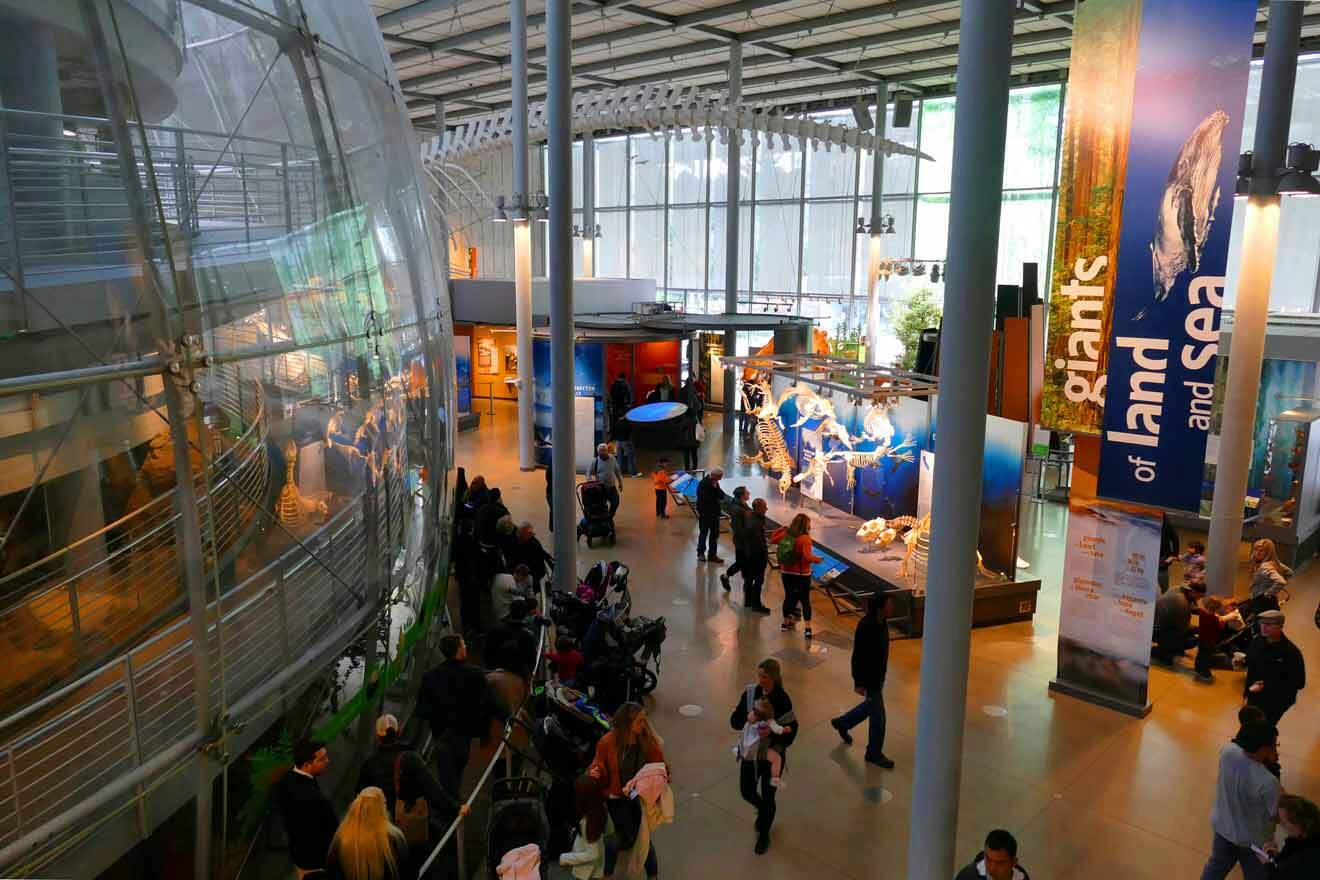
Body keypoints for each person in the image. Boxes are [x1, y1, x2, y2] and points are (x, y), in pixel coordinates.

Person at [416, 635, 504, 801]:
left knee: (446, 773)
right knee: (458, 768)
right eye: (463, 645)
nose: (466, 647)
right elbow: (489, 702)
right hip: (464, 734)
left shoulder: (430, 676)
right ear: (458, 650)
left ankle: (450, 803)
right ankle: (453, 806)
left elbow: (422, 710)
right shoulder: (475, 674)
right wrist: (506, 717)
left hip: (441, 734)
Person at [589, 702, 666, 879]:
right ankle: (609, 874)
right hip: (616, 799)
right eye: (640, 721)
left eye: (644, 720)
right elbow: (598, 767)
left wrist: (657, 785)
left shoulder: (647, 741)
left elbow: (661, 768)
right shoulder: (607, 742)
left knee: (643, 841)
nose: (644, 724)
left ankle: (651, 876)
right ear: (626, 724)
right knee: (617, 838)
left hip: (638, 800)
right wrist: (595, 782)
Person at [729, 658, 797, 855]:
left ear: (774, 677)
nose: (761, 680)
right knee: (746, 791)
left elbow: (791, 729)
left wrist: (774, 735)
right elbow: (735, 721)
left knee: (769, 796)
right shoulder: (751, 693)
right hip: (751, 755)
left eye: (765, 676)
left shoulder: (783, 700)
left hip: (771, 756)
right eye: (759, 675)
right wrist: (747, 717)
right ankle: (762, 808)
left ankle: (764, 833)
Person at [1199, 720, 1281, 880]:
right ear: (1264, 749)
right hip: (1255, 841)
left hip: (1223, 828)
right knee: (1256, 875)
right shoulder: (1268, 782)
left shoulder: (1227, 752)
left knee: (1216, 867)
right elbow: (1276, 815)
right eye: (1274, 745)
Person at [830, 594, 894, 768]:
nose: (892, 606)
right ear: (880, 607)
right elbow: (858, 655)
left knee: (871, 707)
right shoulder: (866, 625)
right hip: (870, 678)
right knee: (879, 718)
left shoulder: (882, 622)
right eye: (889, 603)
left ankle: (843, 722)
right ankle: (873, 753)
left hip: (878, 676)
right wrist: (858, 681)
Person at [274, 739, 339, 877]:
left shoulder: (285, 780)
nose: (327, 761)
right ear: (306, 765)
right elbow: (333, 830)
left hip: (298, 854)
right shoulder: (315, 800)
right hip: (316, 861)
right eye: (322, 759)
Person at [323, 787, 412, 880]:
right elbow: (405, 871)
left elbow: (331, 870)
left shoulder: (341, 835)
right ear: (383, 807)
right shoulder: (395, 836)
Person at [1244, 609, 1306, 725]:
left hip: (1275, 701)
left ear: (1280, 626)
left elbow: (1298, 682)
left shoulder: (1290, 653)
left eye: (1268, 624)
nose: (1263, 627)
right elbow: (1250, 662)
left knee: (1264, 728)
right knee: (1249, 726)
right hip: (1254, 695)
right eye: (1261, 623)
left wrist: (1265, 686)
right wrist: (1242, 662)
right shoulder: (1257, 641)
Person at [771, 513, 822, 639]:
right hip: (801, 574)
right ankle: (808, 628)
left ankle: (785, 623)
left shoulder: (786, 534)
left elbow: (773, 539)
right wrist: (817, 559)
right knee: (805, 600)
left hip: (786, 572)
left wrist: (781, 529)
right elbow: (807, 557)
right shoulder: (805, 539)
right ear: (806, 525)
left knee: (788, 597)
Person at [1259, 794, 1320, 878]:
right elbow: (1288, 860)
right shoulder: (1297, 839)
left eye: (1284, 822)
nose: (1280, 824)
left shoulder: (1309, 855)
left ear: (1299, 822)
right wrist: (1276, 857)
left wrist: (1267, 865)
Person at [1152, 581, 1206, 665]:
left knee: (1191, 632)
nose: (1199, 599)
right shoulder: (1181, 601)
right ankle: (1161, 651)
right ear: (1193, 592)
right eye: (1199, 596)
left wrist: (1203, 612)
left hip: (1155, 625)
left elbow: (1192, 607)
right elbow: (1182, 628)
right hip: (1159, 631)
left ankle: (1169, 648)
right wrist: (1200, 629)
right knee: (1192, 640)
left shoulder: (1177, 588)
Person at [485, 598, 539, 679]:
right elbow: (531, 662)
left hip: (496, 675)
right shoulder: (528, 636)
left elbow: (487, 654)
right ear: (525, 614)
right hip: (518, 677)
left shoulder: (494, 630)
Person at [737, 697, 786, 787]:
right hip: (755, 749)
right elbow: (777, 730)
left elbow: (750, 718)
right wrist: (784, 729)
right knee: (777, 758)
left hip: (746, 743)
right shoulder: (763, 724)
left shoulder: (752, 718)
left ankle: (739, 750)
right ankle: (775, 778)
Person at [1195, 595, 1242, 682]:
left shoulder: (1202, 613)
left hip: (1201, 638)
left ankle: (1197, 668)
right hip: (1209, 641)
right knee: (1206, 657)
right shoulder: (1214, 619)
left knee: (1200, 654)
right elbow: (1220, 627)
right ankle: (1204, 671)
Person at [738, 499, 772, 614]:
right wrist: (764, 554)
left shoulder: (749, 517)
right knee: (758, 580)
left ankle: (748, 600)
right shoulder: (756, 523)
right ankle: (756, 604)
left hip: (748, 553)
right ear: (758, 508)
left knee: (749, 578)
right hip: (756, 556)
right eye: (764, 507)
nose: (766, 509)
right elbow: (759, 542)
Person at [954, 829, 1030, 880]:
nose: (992, 869)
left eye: (1000, 863)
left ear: (1014, 862)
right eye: (988, 859)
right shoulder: (967, 877)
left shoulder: (1022, 877)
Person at [720, 487, 752, 592]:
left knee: (744, 562)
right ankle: (726, 576)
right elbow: (738, 528)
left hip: (743, 541)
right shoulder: (738, 509)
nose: (749, 493)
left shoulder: (742, 505)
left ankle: (746, 583)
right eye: (747, 492)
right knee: (741, 562)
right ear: (742, 495)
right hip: (742, 542)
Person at [1248, 539, 1292, 615]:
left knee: (1259, 624)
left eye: (1261, 551)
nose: (1257, 553)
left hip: (1262, 602)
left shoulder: (1265, 566)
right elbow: (1289, 572)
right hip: (1270, 602)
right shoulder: (1273, 562)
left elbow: (1281, 581)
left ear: (1268, 552)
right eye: (1255, 550)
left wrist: (1268, 593)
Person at [695, 468, 726, 563]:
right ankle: (701, 553)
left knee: (714, 534)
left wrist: (716, 488)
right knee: (703, 533)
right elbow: (704, 500)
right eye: (720, 477)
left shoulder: (715, 483)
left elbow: (721, 495)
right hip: (705, 514)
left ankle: (712, 555)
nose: (720, 479)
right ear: (714, 475)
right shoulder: (703, 484)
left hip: (714, 514)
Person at [507, 523, 552, 588]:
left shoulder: (534, 543)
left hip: (531, 575)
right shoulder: (511, 542)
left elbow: (540, 567)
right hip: (514, 575)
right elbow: (509, 560)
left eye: (531, 533)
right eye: (529, 533)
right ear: (520, 533)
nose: (532, 534)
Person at [589, 444, 623, 518]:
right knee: (601, 506)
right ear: (598, 453)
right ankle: (604, 520)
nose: (603, 453)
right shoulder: (596, 461)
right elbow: (589, 473)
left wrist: (620, 483)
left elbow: (617, 471)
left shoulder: (612, 459)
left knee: (615, 502)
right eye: (601, 451)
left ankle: (609, 517)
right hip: (600, 488)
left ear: (607, 451)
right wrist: (591, 482)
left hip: (611, 487)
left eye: (604, 451)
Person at [612, 413, 639, 477]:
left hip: (618, 442)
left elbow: (613, 432)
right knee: (631, 457)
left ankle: (619, 474)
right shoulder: (627, 423)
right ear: (624, 415)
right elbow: (630, 432)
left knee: (619, 458)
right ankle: (633, 473)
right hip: (626, 441)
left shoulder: (616, 423)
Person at [1158, 514, 1180, 593]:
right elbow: (1175, 539)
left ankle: (1164, 593)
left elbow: (1175, 539)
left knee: (1162, 573)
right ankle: (1164, 592)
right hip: (1163, 556)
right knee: (1162, 575)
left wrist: (1174, 555)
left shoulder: (1167, 524)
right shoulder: (1166, 523)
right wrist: (1174, 555)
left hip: (1162, 557)